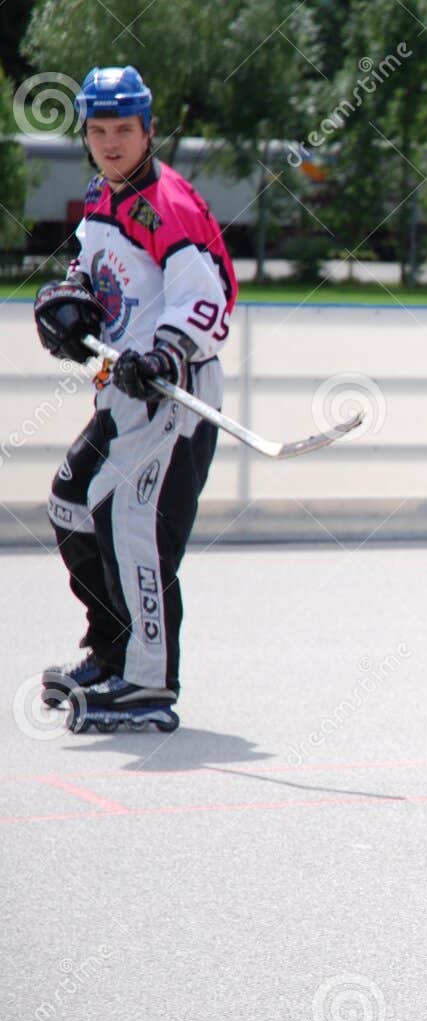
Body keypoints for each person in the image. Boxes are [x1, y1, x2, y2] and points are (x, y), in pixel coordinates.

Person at [33, 65, 236, 733]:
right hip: (119, 397)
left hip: (171, 396)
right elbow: (87, 273)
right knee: (70, 504)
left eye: (125, 129)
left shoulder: (164, 204)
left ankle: (148, 683)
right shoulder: (104, 196)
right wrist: (63, 307)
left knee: (134, 529)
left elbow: (208, 295)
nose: (111, 141)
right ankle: (112, 647)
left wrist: (165, 351)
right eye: (98, 130)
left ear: (150, 130)